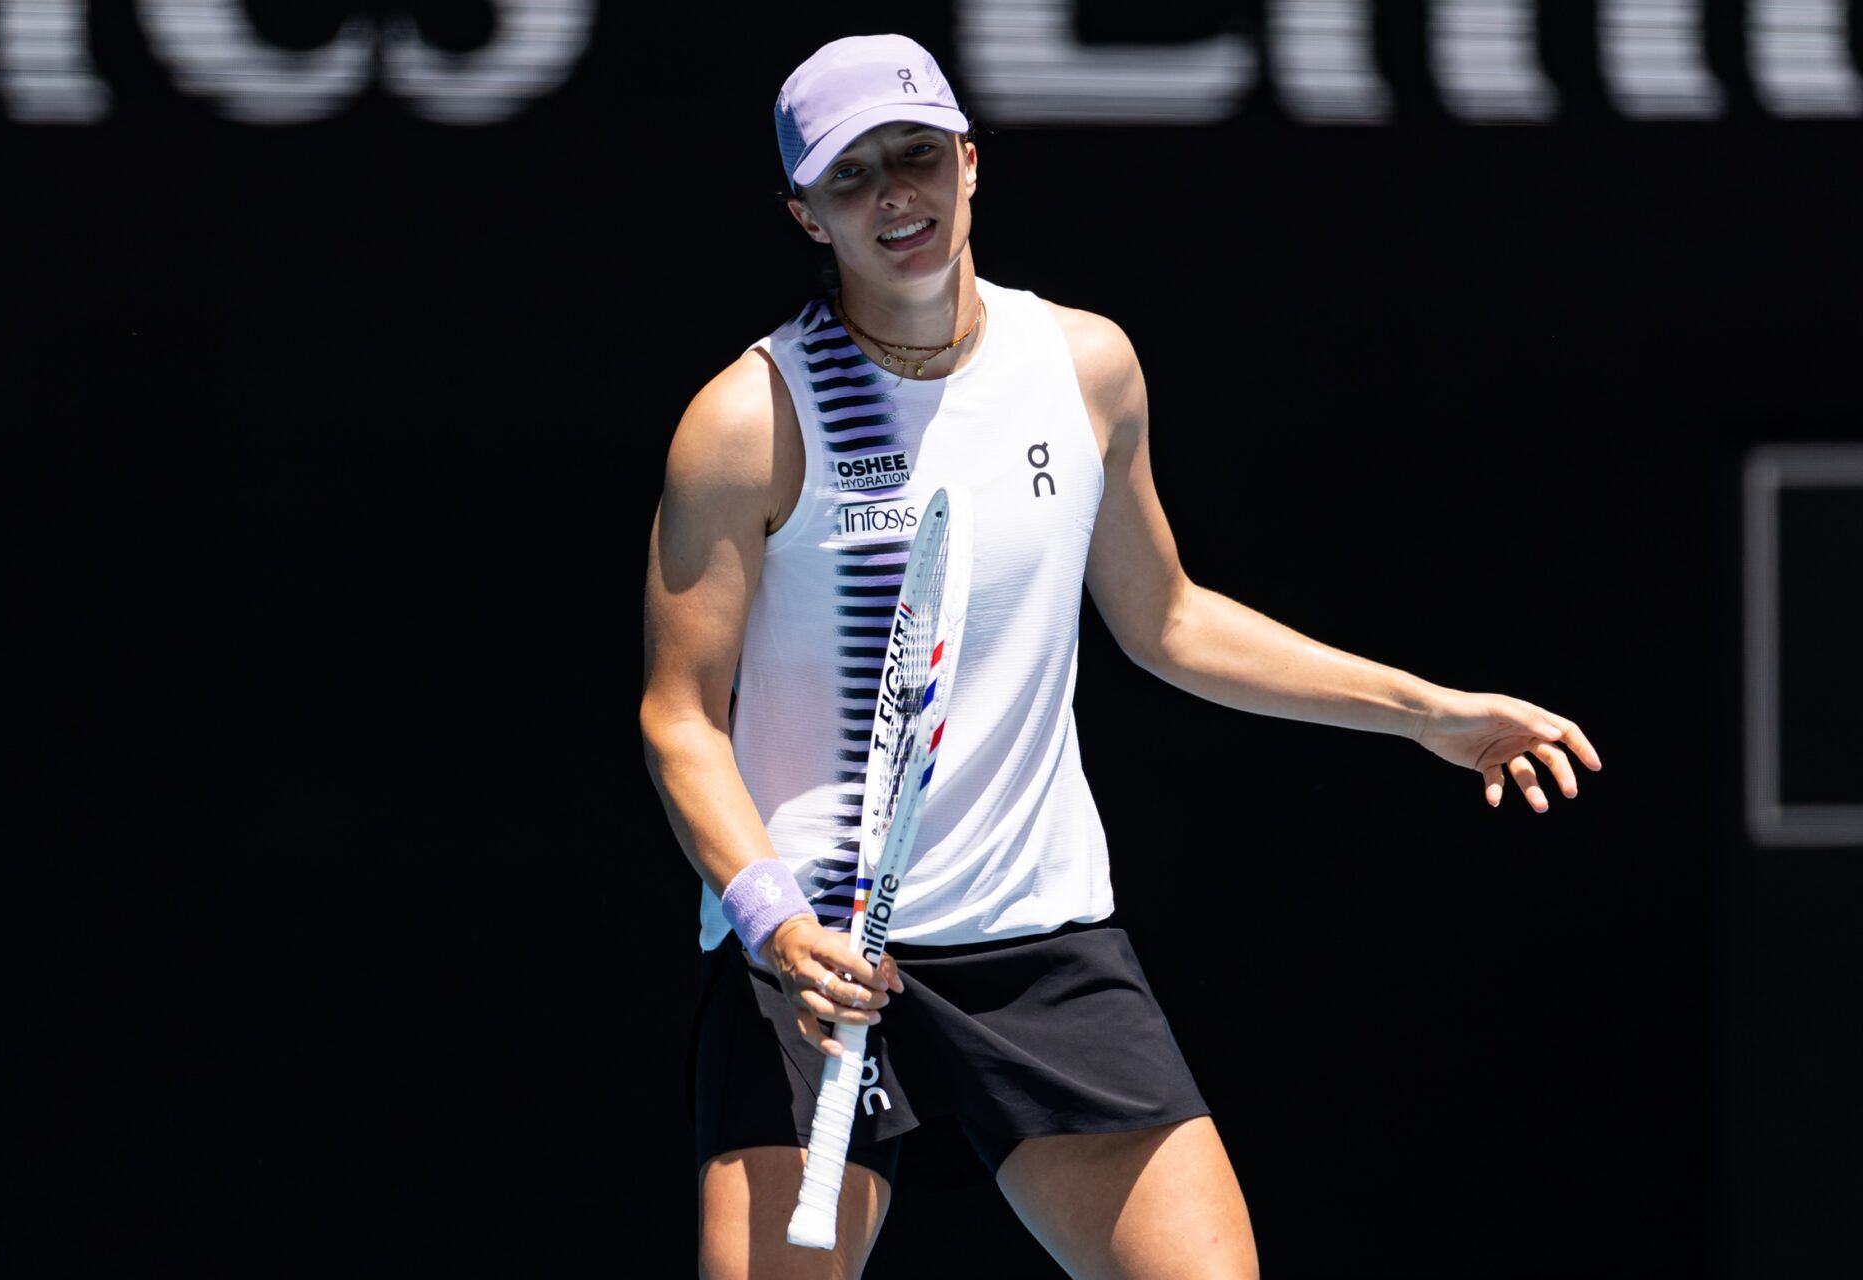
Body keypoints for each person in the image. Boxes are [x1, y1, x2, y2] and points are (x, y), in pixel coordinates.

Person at [640, 32, 1603, 1280]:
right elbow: (678, 717)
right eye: (853, 176)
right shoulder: (746, 421)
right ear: (806, 215)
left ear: (971, 162)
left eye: (919, 156)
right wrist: (773, 922)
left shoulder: (1083, 367)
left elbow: (1172, 620)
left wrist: (1425, 712)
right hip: (815, 965)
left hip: (1040, 946)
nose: (897, 197)